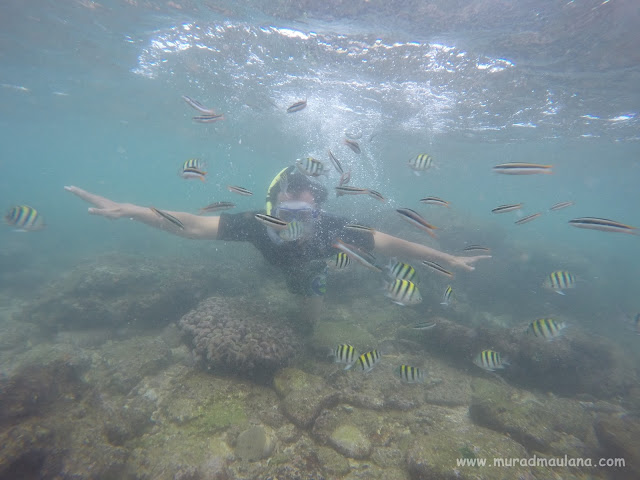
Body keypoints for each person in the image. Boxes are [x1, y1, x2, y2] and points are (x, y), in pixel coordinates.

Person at [64, 165, 489, 327]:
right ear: (271, 207)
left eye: (307, 214)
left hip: (312, 272)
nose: (296, 223)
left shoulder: (332, 229)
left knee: (310, 320)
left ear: (319, 211)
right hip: (272, 264)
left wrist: (444, 257)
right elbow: (190, 227)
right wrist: (132, 209)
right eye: (286, 214)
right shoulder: (255, 224)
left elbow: (391, 245)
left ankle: (312, 300)